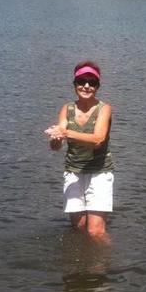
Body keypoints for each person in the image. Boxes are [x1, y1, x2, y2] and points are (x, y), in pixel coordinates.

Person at [45, 61, 113, 243]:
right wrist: (55, 138)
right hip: (73, 172)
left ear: (98, 86)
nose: (87, 86)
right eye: (82, 81)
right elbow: (56, 147)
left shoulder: (104, 109)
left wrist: (65, 132)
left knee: (96, 232)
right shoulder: (67, 109)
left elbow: (98, 140)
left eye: (92, 82)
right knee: (79, 227)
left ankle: (105, 260)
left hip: (99, 173)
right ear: (75, 84)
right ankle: (83, 260)